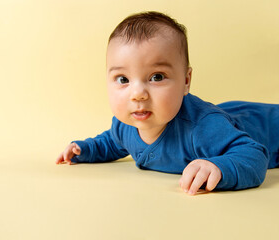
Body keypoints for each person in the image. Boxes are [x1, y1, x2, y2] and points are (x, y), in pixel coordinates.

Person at [56, 11, 279, 195]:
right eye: (123, 79)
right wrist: (85, 149)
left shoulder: (202, 128)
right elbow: (112, 143)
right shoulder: (125, 127)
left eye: (156, 77)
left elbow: (255, 154)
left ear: (186, 81)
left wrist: (220, 167)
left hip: (270, 124)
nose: (138, 94)